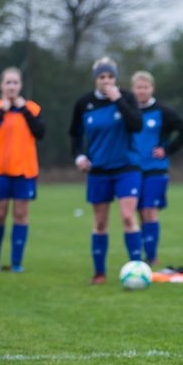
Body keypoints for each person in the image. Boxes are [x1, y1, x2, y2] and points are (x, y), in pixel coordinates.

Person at [70, 57, 144, 284]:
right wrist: (80, 156)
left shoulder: (127, 98)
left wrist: (119, 101)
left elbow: (137, 125)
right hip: (99, 170)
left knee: (127, 216)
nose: (106, 81)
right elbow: (75, 134)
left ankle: (139, 269)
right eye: (102, 77)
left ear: (116, 78)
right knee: (101, 222)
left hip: (126, 167)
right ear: (95, 79)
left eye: (110, 76)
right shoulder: (85, 103)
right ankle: (99, 273)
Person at [0, 69, 44, 272]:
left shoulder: (32, 108)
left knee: (21, 214)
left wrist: (23, 110)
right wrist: (0, 113)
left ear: (20, 85)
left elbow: (40, 132)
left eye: (15, 82)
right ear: (1, 86)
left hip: (24, 170)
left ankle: (16, 263)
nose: (12, 86)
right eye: (8, 83)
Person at [129, 71, 183, 266]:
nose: (142, 91)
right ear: (133, 89)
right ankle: (140, 258)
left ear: (152, 89)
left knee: (149, 210)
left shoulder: (162, 111)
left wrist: (167, 149)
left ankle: (152, 257)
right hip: (132, 169)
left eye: (145, 87)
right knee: (138, 212)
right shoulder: (128, 111)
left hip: (155, 169)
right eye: (138, 87)